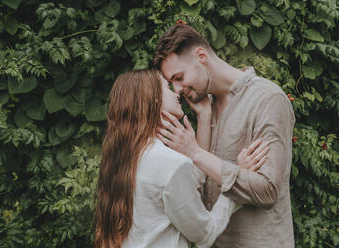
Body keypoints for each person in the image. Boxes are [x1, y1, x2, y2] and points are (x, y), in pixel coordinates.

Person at [154, 24, 296, 247]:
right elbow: (199, 191)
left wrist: (194, 152)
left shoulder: (267, 99)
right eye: (171, 83)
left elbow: (268, 190)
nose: (177, 89)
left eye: (179, 77)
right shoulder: (204, 107)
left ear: (201, 56)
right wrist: (203, 117)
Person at [94, 69, 269, 248]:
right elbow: (205, 233)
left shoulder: (124, 157)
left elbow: (189, 185)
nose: (176, 93)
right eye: (167, 88)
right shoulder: (169, 163)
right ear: (154, 99)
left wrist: (204, 116)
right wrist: (235, 183)